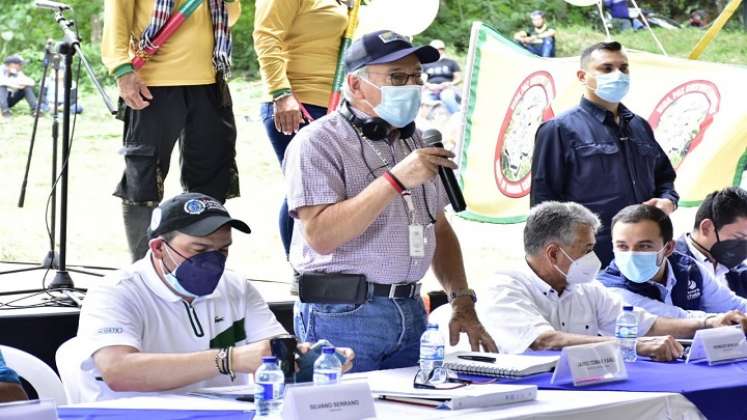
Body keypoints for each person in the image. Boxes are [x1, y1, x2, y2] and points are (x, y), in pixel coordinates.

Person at [283, 30, 497, 372]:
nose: (411, 86)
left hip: (411, 310)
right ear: (355, 85)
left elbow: (437, 229)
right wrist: (395, 180)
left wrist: (461, 299)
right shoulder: (316, 143)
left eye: (416, 77)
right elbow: (321, 236)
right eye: (397, 77)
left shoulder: (416, 140)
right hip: (343, 314)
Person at [76, 192, 354, 401]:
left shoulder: (235, 287)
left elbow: (272, 353)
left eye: (222, 251)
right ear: (159, 248)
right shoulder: (116, 291)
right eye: (199, 250)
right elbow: (118, 371)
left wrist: (311, 361)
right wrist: (228, 359)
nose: (213, 262)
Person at [476, 201, 747, 360]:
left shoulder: (585, 288)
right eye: (586, 249)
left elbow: (646, 325)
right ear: (554, 253)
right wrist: (632, 346)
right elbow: (544, 341)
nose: (594, 257)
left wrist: (709, 323)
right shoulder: (505, 287)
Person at [102, 0, 242, 262]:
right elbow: (116, 20)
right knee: (143, 179)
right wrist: (122, 71)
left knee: (212, 174)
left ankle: (203, 264)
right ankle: (145, 268)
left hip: (209, 82)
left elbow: (229, 16)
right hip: (152, 83)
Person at [530, 41, 678, 267]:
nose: (618, 75)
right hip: (592, 258)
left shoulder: (639, 126)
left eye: (624, 68)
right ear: (582, 76)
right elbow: (544, 206)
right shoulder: (558, 130)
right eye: (607, 69)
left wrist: (668, 201)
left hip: (645, 254)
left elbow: (664, 177)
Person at [253, 0, 349, 258]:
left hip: (337, 105)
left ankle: (324, 266)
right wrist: (281, 94)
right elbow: (265, 36)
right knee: (306, 191)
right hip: (297, 102)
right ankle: (300, 267)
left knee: (334, 190)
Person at [599, 204, 747, 318]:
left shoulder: (688, 268)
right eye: (622, 246)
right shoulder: (608, 288)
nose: (632, 254)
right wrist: (718, 321)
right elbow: (675, 319)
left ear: (668, 248)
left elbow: (733, 305)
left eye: (644, 246)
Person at [676, 187, 747, 298]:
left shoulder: (733, 265)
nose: (744, 245)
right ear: (707, 227)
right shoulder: (669, 268)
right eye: (739, 237)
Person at [422, 39, 462, 115]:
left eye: (441, 48)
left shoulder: (451, 62)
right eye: (437, 49)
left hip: (447, 88)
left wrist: (450, 84)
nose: (439, 50)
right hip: (431, 89)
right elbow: (422, 79)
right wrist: (429, 86)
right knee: (424, 100)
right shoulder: (426, 63)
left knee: (447, 97)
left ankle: (457, 116)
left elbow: (459, 78)